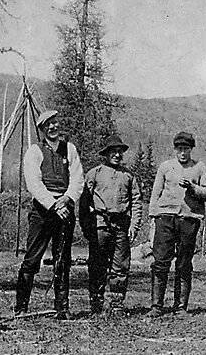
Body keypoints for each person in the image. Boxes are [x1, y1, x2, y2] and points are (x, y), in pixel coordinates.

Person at [14, 109, 84, 320]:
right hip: (43, 210)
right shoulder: (34, 151)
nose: (53, 127)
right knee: (32, 258)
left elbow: (77, 178)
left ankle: (62, 307)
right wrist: (54, 205)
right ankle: (21, 307)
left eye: (55, 123)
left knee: (63, 258)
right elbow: (34, 184)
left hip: (65, 207)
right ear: (42, 129)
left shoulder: (69, 149)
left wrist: (68, 199)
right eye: (48, 125)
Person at [147, 131, 206, 316]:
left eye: (186, 149)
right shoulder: (166, 167)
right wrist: (153, 218)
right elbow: (155, 193)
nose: (183, 153)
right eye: (180, 149)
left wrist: (193, 188)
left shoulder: (199, 167)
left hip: (189, 219)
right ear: (175, 150)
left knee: (184, 263)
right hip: (165, 218)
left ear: (192, 149)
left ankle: (181, 306)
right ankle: (156, 306)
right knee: (160, 261)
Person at [79, 134, 143, 315]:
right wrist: (87, 227)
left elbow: (137, 202)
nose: (116, 155)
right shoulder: (94, 173)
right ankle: (96, 303)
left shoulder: (129, 176)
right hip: (100, 224)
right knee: (97, 264)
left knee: (120, 266)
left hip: (122, 225)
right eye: (113, 152)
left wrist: (134, 226)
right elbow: (84, 203)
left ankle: (117, 304)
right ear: (106, 154)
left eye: (119, 152)